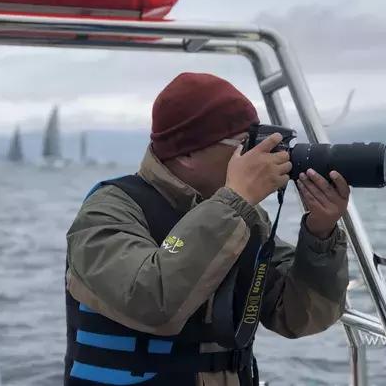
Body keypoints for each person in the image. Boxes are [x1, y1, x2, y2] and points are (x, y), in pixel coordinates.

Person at [64, 72, 350, 386]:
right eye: (244, 144)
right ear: (186, 153)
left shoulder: (243, 216)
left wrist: (320, 235)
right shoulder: (109, 211)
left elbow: (299, 317)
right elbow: (150, 301)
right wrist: (235, 201)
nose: (257, 157)